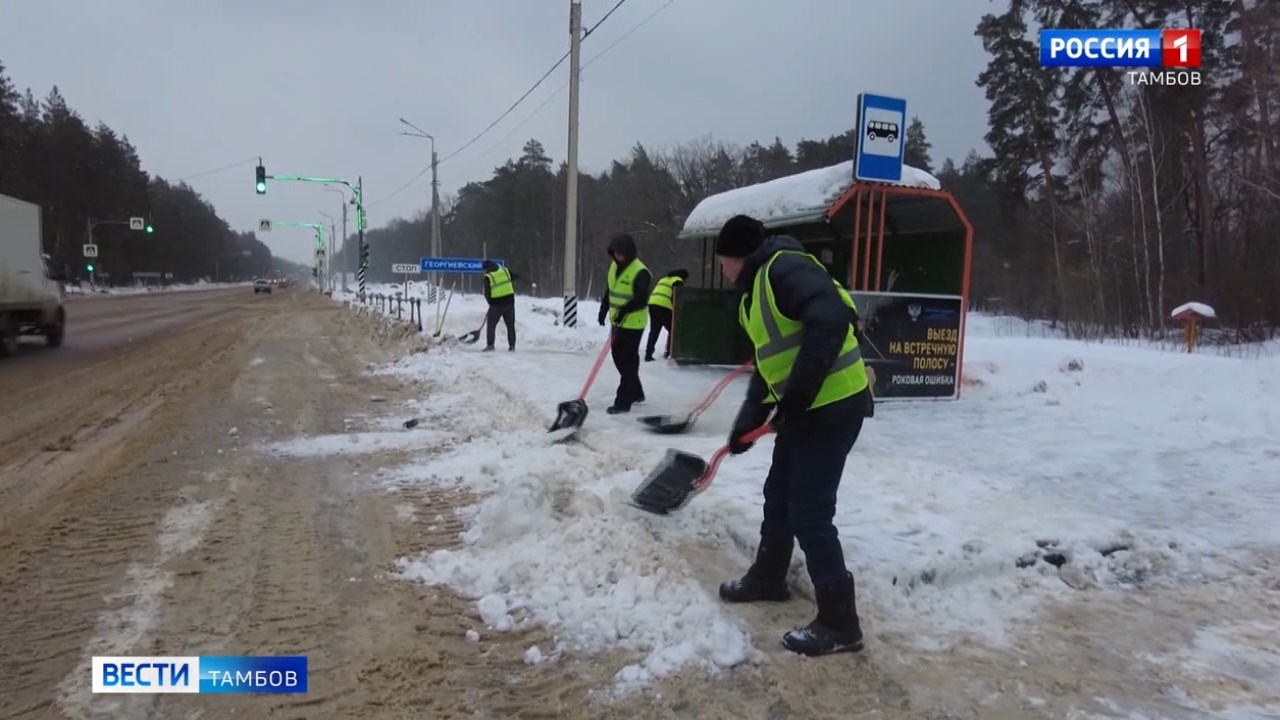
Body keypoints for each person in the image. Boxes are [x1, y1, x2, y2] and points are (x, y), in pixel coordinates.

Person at [713, 214, 874, 657]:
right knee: (778, 494)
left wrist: (798, 397)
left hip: (835, 405)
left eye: (723, 261)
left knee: (810, 511)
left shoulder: (783, 267)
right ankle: (768, 577)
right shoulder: (752, 299)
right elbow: (771, 370)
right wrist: (747, 423)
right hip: (805, 410)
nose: (723, 271)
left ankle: (841, 624)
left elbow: (829, 319)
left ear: (736, 256)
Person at [596, 233, 650, 414]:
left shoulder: (640, 272)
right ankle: (636, 391)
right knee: (621, 359)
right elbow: (611, 290)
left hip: (634, 324)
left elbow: (641, 299)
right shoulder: (613, 267)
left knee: (627, 361)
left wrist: (623, 312)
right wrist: (603, 310)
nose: (617, 257)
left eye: (621, 253)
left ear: (629, 253)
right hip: (617, 322)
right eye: (615, 253)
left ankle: (622, 402)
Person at [645, 268, 688, 361]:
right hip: (664, 307)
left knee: (654, 331)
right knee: (673, 330)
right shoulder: (678, 281)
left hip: (652, 304)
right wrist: (677, 309)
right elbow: (677, 296)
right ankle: (669, 352)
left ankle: (648, 354)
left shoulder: (663, 279)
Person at [481, 260, 518, 352]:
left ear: (487, 268)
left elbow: (487, 293)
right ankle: (512, 346)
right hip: (509, 303)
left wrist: (490, 303)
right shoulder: (505, 271)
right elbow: (514, 276)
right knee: (510, 325)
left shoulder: (488, 277)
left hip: (496, 305)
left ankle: (490, 345)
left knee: (491, 325)